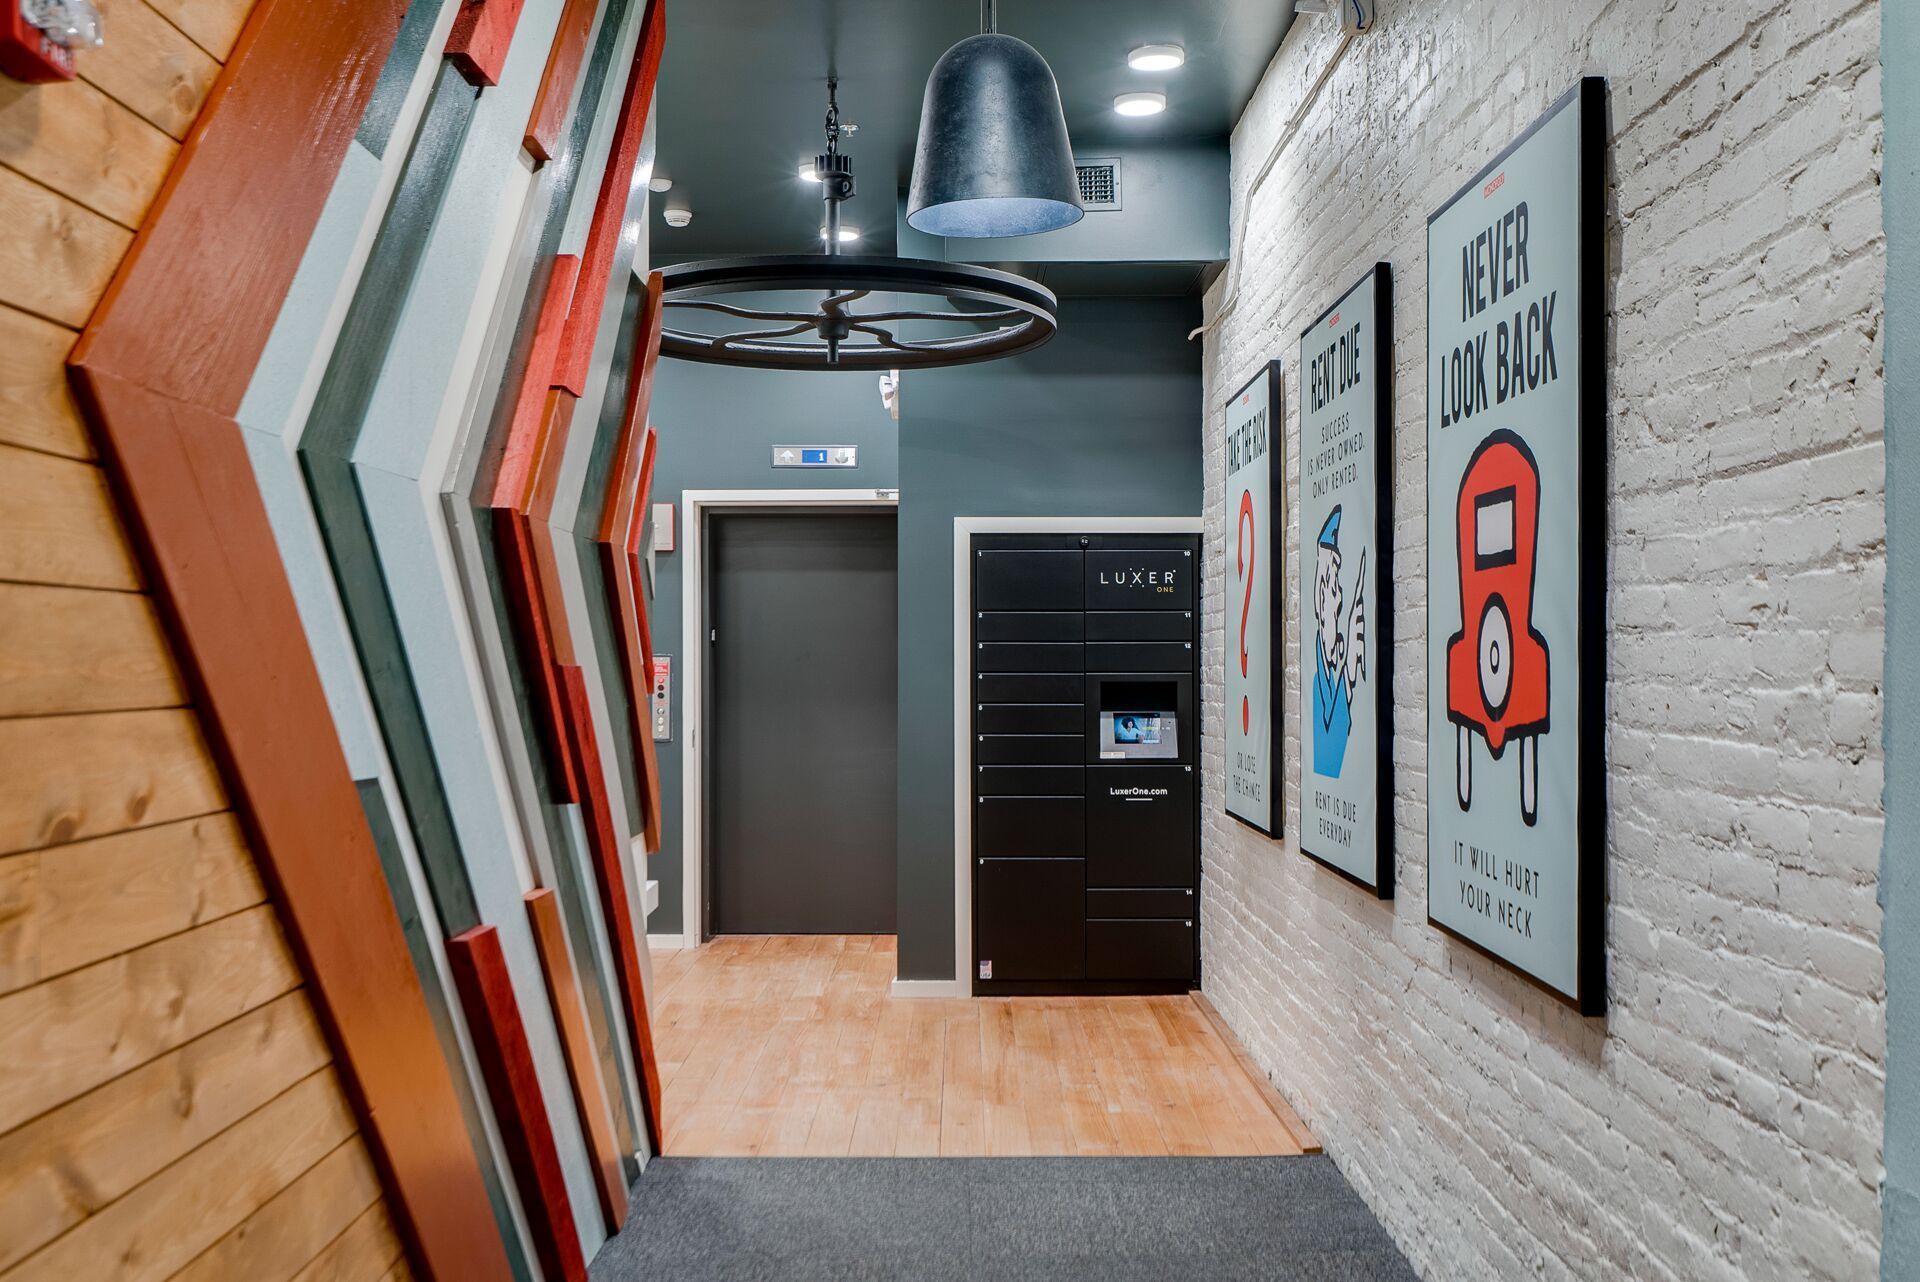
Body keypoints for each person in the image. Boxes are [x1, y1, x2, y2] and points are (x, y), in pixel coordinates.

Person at [1312, 507, 1366, 778]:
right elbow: (1327, 759)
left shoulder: (1328, 675)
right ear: (1321, 597)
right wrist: (1350, 670)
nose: (1341, 597)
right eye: (1334, 587)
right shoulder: (1317, 683)